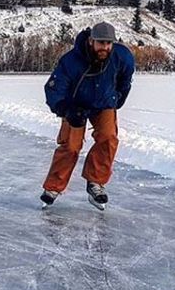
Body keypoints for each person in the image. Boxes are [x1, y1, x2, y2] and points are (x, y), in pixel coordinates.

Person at [41, 21, 135, 210]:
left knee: (108, 138)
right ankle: (53, 187)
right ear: (91, 41)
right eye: (101, 43)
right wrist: (66, 109)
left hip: (104, 103)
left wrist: (117, 99)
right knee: (71, 146)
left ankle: (96, 183)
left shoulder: (122, 56)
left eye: (109, 43)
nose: (105, 47)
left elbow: (126, 79)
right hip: (75, 105)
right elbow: (54, 89)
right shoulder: (71, 60)